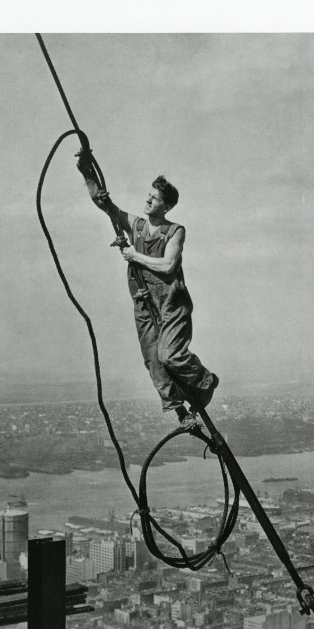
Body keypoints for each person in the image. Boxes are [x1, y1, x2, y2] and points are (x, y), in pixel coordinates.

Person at [77, 152, 218, 430]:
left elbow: (167, 266)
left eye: (154, 198)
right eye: (148, 195)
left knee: (170, 356)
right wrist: (86, 172)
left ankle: (205, 381)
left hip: (171, 304)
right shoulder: (137, 226)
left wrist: (134, 256)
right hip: (143, 301)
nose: (148, 200)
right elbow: (105, 205)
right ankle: (182, 415)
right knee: (153, 360)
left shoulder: (174, 231)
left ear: (165, 206)